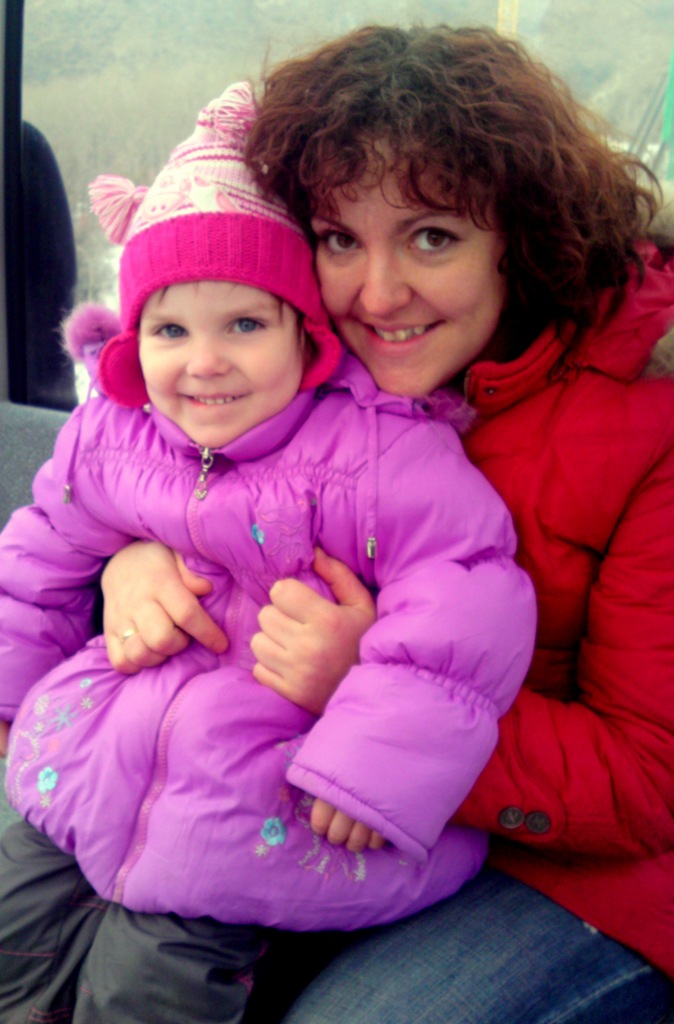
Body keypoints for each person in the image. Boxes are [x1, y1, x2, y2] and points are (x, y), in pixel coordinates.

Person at [100, 24, 674, 1024]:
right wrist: (136, 559)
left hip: (578, 876)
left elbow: (648, 776)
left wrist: (365, 690)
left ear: (521, 234)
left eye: (432, 237)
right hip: (314, 795)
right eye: (338, 239)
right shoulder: (304, 362)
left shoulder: (645, 422)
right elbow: (145, 474)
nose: (378, 293)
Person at [0, 81, 535, 1024]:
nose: (204, 362)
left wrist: (378, 755)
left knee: (147, 991)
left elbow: (466, 594)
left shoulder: (377, 452)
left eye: (245, 325)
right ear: (132, 339)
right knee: (12, 933)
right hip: (92, 763)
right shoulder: (114, 436)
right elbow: (36, 563)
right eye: (170, 330)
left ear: (307, 336)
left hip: (249, 805)